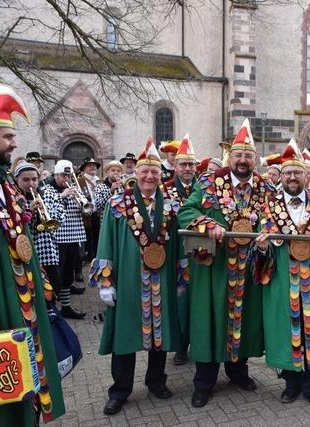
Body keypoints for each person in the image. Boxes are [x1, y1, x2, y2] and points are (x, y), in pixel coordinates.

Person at [88, 137, 182, 415]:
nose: (150, 176)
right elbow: (105, 242)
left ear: (160, 174)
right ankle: (120, 390)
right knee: (125, 336)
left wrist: (180, 277)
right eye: (145, 171)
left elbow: (177, 245)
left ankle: (156, 381)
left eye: (155, 171)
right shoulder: (118, 204)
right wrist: (106, 281)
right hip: (129, 282)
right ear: (136, 173)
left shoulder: (171, 205)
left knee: (160, 334)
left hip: (161, 281)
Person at [178, 119, 268, 408]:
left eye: (248, 155)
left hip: (248, 268)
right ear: (231, 156)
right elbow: (186, 211)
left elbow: (273, 219)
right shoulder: (208, 182)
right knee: (209, 321)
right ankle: (204, 382)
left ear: (255, 159)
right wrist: (207, 223)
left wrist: (267, 234)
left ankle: (238, 372)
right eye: (238, 155)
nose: (243, 160)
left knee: (243, 319)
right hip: (214, 268)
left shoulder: (265, 187)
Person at [0, 82, 65, 424]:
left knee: (26, 391)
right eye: (7, 136)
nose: (15, 143)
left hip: (22, 306)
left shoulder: (3, 186)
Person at [254, 139, 310, 410]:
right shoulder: (269, 205)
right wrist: (262, 248)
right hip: (282, 276)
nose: (292, 177)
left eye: (297, 172)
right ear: (280, 177)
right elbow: (260, 241)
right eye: (287, 173)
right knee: (286, 328)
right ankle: (291, 384)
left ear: (307, 175)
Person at [164, 135, 198, 366]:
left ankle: (199, 341)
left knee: (199, 300)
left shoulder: (205, 189)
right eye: (183, 164)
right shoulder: (164, 190)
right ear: (175, 166)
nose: (187, 168)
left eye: (191, 164)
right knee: (180, 300)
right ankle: (180, 345)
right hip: (176, 253)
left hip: (201, 254)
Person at [15, 162, 65, 301]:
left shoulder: (47, 194)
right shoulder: (15, 200)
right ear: (17, 180)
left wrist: (46, 212)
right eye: (25, 180)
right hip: (27, 253)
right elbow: (17, 225)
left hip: (48, 252)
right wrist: (29, 210)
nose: (31, 183)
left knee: (52, 289)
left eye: (34, 179)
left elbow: (60, 218)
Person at [49, 160, 87, 318]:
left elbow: (86, 210)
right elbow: (51, 212)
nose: (66, 178)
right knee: (56, 274)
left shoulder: (74, 187)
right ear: (56, 175)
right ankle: (52, 307)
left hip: (74, 235)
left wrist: (82, 202)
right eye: (63, 175)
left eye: (68, 175)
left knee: (68, 275)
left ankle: (65, 306)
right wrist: (63, 196)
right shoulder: (49, 189)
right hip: (57, 238)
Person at [76, 157, 110, 263]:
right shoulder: (79, 180)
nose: (92, 167)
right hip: (85, 214)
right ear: (84, 168)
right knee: (87, 236)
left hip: (98, 213)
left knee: (98, 236)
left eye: (94, 165)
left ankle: (97, 256)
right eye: (89, 165)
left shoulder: (100, 180)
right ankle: (89, 257)